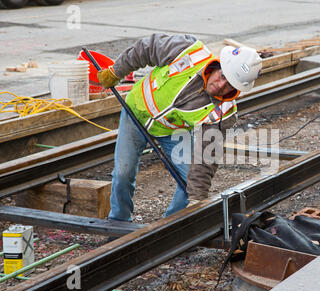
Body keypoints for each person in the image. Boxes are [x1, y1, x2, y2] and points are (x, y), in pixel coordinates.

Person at [96, 33, 262, 221]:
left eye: (229, 84)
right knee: (123, 172)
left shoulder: (223, 112)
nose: (220, 85)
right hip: (135, 111)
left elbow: (206, 157)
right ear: (218, 66)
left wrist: (196, 200)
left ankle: (169, 226)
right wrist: (116, 71)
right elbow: (146, 48)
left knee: (189, 185)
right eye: (222, 76)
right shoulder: (188, 52)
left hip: (170, 131)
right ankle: (119, 220)